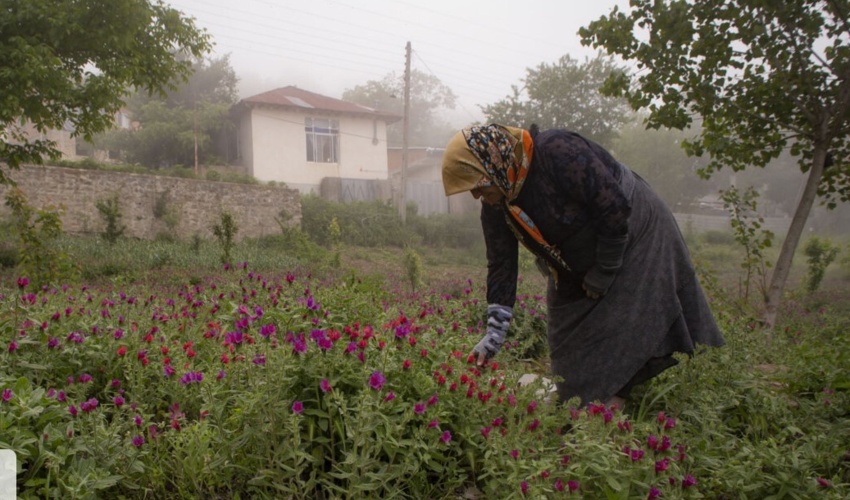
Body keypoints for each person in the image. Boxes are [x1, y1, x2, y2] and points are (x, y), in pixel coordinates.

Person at [441, 123, 725, 408]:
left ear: (495, 163)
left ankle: (611, 404)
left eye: (479, 186)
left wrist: (605, 269)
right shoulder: (498, 203)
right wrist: (494, 333)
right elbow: (502, 265)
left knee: (628, 317)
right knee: (568, 335)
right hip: (572, 260)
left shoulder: (556, 151)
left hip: (632, 233)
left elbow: (612, 204)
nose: (477, 196)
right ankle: (587, 400)